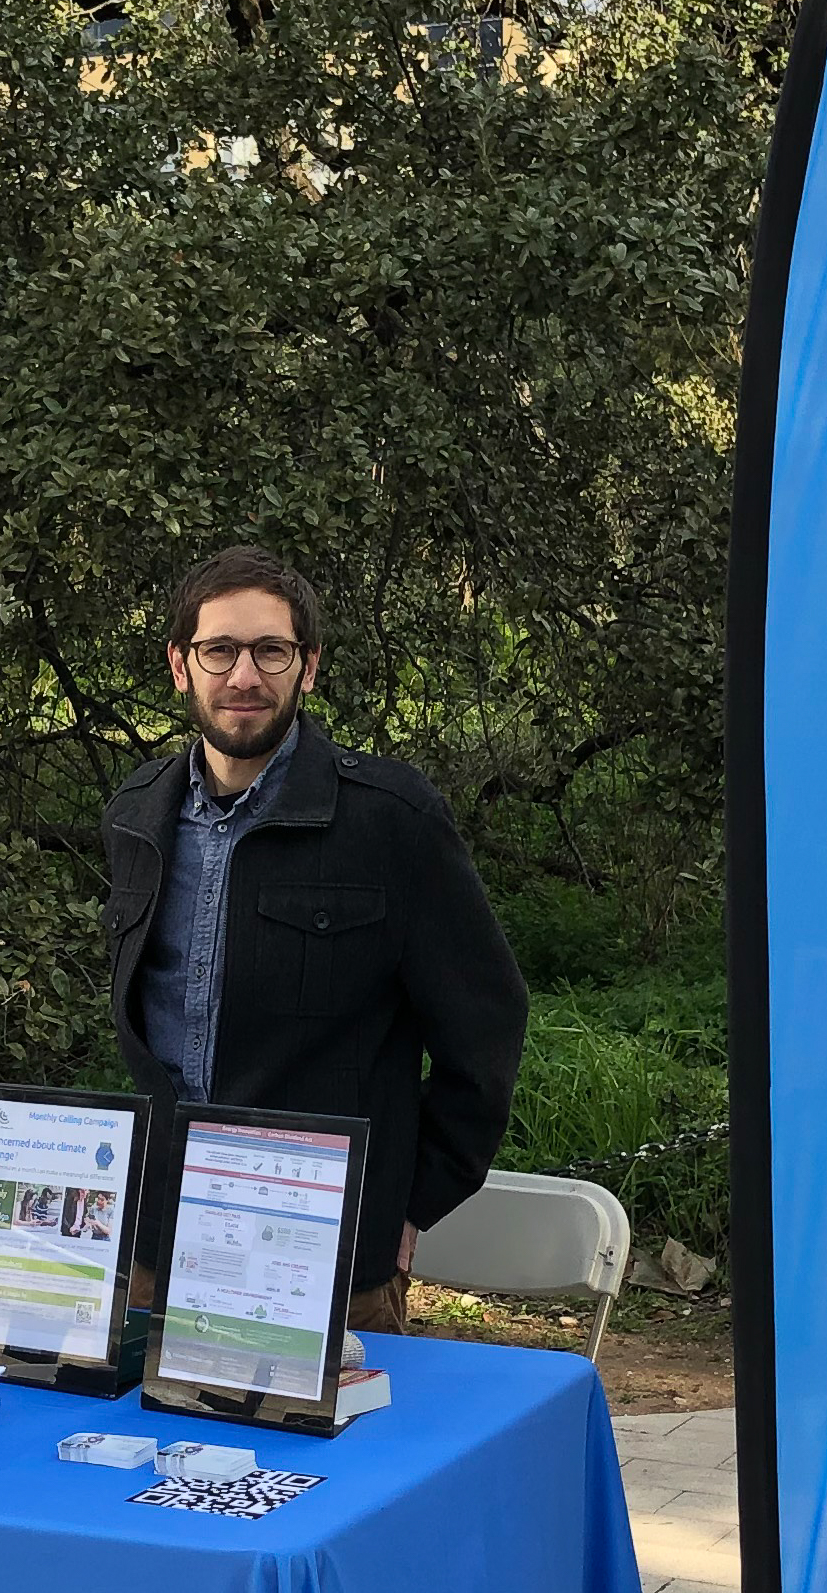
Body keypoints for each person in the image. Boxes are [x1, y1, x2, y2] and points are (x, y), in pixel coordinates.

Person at [104, 546, 527, 1334]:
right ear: (178, 665)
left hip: (326, 1263)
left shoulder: (389, 820)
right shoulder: (136, 816)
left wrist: (412, 1202)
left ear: (308, 667)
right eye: (218, 650)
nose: (243, 676)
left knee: (327, 1464)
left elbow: (486, 1029)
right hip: (156, 1254)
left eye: (271, 650)